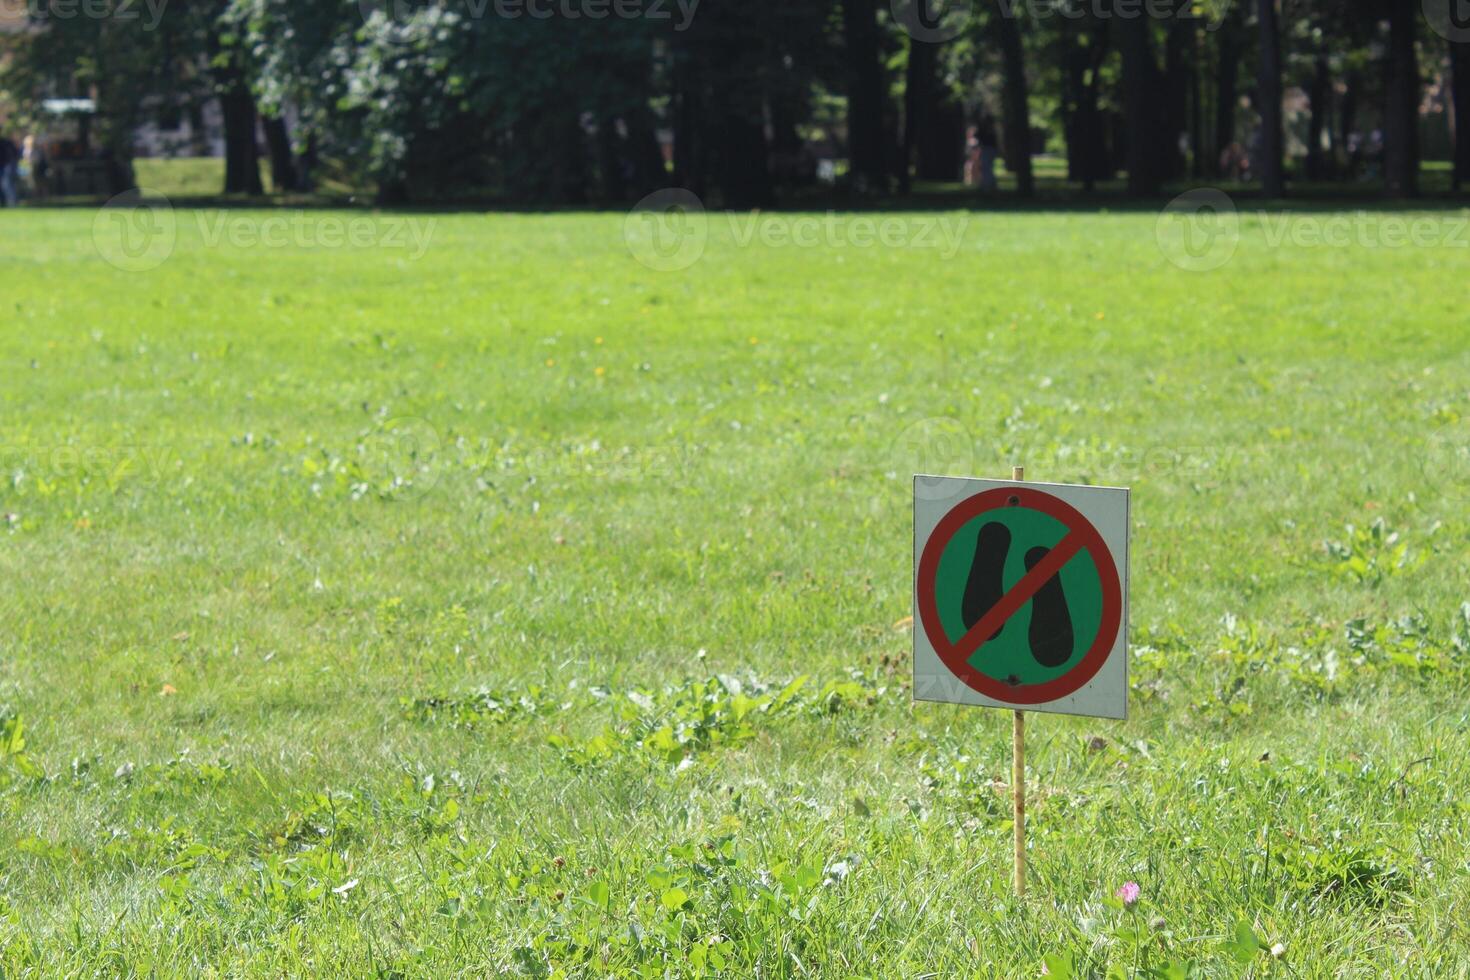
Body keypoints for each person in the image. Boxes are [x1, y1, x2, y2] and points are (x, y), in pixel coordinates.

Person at [0, 135, 19, 207]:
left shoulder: (6, 142)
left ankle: (12, 202)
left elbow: (15, 154)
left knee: (7, 185)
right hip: (4, 166)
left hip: (6, 166)